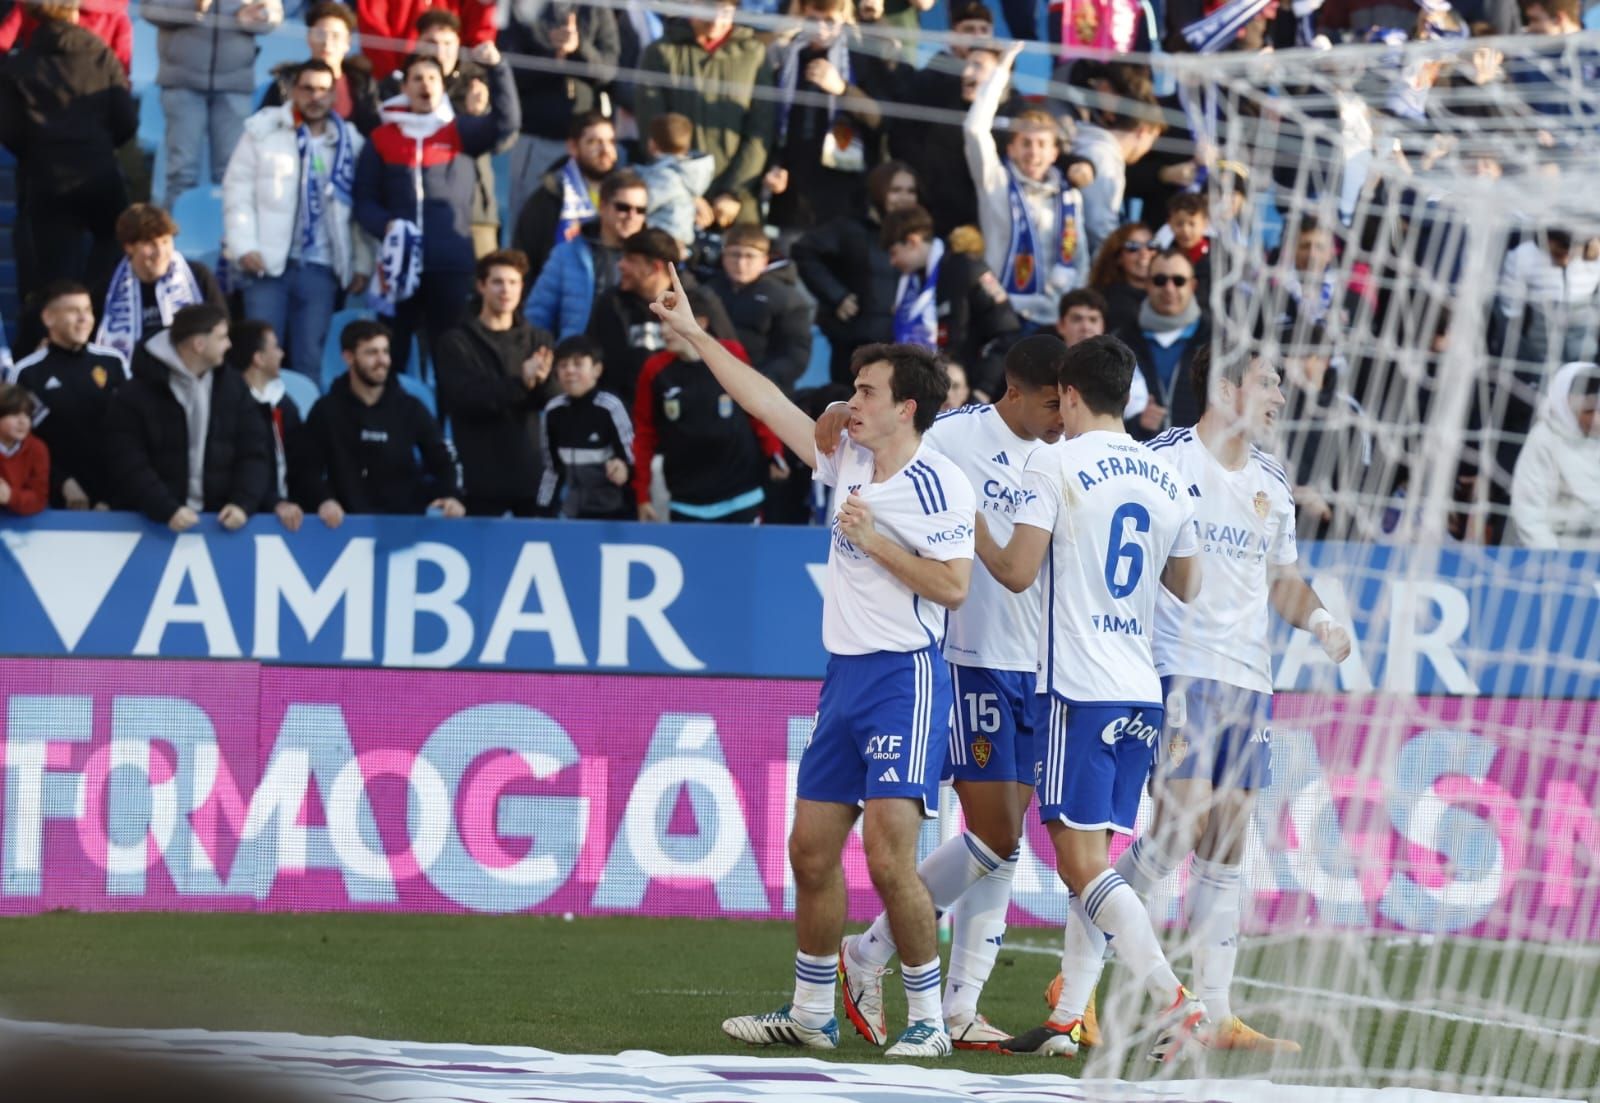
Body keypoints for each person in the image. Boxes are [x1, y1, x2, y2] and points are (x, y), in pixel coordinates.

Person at [650, 269, 975, 1057]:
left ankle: (927, 1021)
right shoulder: (852, 458)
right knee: (809, 849)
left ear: (906, 406)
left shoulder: (941, 486)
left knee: (891, 855)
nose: (849, 402)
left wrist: (876, 544)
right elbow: (766, 400)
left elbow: (954, 588)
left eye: (865, 392)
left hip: (907, 677)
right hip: (846, 678)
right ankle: (812, 1011)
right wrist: (696, 337)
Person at [1046, 344, 1353, 1055]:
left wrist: (1319, 619)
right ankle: (1077, 986)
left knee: (1228, 835)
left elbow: (1282, 577)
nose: (1279, 395)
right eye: (1268, 382)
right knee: (1178, 828)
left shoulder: (1272, 481)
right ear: (1225, 385)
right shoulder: (1164, 459)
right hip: (1177, 667)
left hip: (1249, 677)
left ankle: (1213, 1012)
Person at [816, 335, 1066, 1050]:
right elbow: (871, 442)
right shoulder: (954, 437)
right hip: (966, 656)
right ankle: (870, 951)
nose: (1060, 416)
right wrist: (841, 405)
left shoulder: (1058, 454)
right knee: (996, 834)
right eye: (1051, 403)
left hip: (1041, 665)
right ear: (1015, 391)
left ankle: (960, 1005)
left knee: (1005, 846)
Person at [971, 334, 1204, 1061]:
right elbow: (1188, 585)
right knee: (1094, 861)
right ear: (1127, 395)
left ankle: (1172, 1000)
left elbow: (1013, 570)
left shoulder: (1055, 460)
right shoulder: (1164, 473)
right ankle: (1070, 1014)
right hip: (1140, 688)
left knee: (1080, 862)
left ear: (1068, 395)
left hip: (1079, 686)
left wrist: (966, 517)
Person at [353, 42, 518, 376]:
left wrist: (498, 69)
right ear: (404, 87)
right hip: (398, 266)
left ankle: (450, 428)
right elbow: (364, 201)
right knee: (390, 358)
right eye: (416, 78)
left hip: (450, 265)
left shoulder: (459, 131)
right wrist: (386, 226)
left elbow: (507, 124)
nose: (425, 84)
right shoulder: (382, 138)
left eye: (432, 77)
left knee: (453, 360)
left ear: (442, 87)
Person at [224, 59, 373, 380]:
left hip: (321, 268)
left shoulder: (351, 142)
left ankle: (303, 428)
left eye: (323, 90)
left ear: (334, 95)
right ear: (292, 91)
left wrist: (361, 262)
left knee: (309, 360)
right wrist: (244, 245)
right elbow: (237, 192)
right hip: (267, 265)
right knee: (258, 360)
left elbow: (359, 210)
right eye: (307, 88)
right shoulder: (262, 130)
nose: (314, 97)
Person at [0, 0, 137, 321]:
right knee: (113, 245)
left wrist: (36, 152)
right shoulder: (102, 56)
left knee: (53, 270)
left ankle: (57, 332)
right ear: (75, 13)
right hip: (99, 171)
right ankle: (95, 312)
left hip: (45, 178)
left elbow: (9, 130)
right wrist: (101, 144)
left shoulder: (19, 68)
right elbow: (126, 119)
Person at [105, 304, 270, 531]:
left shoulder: (233, 386)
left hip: (219, 523)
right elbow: (127, 460)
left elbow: (254, 451)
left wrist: (243, 503)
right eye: (222, 338)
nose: (229, 345)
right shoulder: (135, 394)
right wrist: (165, 508)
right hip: (147, 526)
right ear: (199, 345)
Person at [633, 287, 786, 524]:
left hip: (741, 494)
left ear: (701, 322)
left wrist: (774, 452)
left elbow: (757, 408)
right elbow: (644, 434)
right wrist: (642, 495)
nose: (663, 331)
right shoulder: (654, 370)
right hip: (686, 500)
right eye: (661, 322)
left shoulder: (731, 353)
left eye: (669, 322)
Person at [965, 43, 1090, 332]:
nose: (1033, 153)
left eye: (1041, 144)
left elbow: (1080, 258)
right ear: (1010, 149)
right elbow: (974, 129)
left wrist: (1072, 307)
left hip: (1057, 321)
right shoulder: (994, 182)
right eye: (1025, 143)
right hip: (1006, 314)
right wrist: (1001, 70)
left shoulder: (1069, 197)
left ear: (1054, 153)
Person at [299, 319, 465, 521]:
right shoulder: (326, 410)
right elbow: (306, 468)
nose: (382, 360)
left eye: (385, 351)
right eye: (371, 353)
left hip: (404, 527)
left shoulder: (411, 407)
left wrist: (451, 495)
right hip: (345, 526)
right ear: (349, 357)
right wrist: (323, 500)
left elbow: (444, 458)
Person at [435, 249, 559, 517]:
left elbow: (553, 399)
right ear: (481, 286)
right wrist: (522, 382)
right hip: (479, 477)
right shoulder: (456, 342)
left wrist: (543, 381)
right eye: (498, 282)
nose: (506, 290)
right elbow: (465, 398)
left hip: (531, 474)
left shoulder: (538, 340)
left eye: (513, 282)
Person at [635, 2, 775, 220]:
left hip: (738, 198)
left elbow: (760, 131)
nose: (716, 21)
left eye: (725, 12)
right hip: (673, 194)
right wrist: (687, 192)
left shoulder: (754, 54)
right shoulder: (660, 52)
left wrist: (732, 191)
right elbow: (652, 130)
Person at [143, 0, 283, 205]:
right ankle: (175, 235)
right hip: (183, 83)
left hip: (235, 85)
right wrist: (193, 7)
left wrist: (260, 17)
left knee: (232, 172)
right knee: (181, 173)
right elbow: (150, 9)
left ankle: (229, 235)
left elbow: (274, 15)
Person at [761, 0, 883, 234]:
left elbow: (880, 121)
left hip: (845, 194)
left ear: (844, 19)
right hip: (793, 195)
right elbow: (772, 122)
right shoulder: (786, 55)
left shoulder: (861, 56)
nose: (820, 29)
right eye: (811, 20)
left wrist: (843, 90)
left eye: (829, 21)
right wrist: (775, 165)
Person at [793, 160, 920, 382]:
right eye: (896, 190)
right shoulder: (850, 228)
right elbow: (804, 250)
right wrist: (836, 296)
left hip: (903, 347)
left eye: (911, 191)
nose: (905, 197)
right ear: (879, 191)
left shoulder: (921, 236)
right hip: (855, 344)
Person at [9, 280, 129, 510]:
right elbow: (17, 442)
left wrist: (113, 495)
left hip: (115, 501)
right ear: (49, 319)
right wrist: (61, 482)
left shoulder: (114, 363)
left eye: (87, 310)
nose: (84, 318)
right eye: (74, 311)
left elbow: (132, 433)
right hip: (51, 503)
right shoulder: (26, 373)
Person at [882, 205, 1020, 401]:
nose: (892, 262)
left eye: (894, 252)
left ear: (912, 242)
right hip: (936, 394)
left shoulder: (966, 268)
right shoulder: (910, 286)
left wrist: (983, 390)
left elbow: (1006, 332)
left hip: (973, 394)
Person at [501, 0, 620, 223]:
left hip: (585, 146)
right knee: (528, 219)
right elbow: (509, 70)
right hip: (535, 141)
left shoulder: (596, 9)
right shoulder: (523, 8)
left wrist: (579, 49)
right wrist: (553, 58)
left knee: (586, 225)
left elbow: (609, 70)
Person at [95, 203, 226, 366]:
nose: (160, 252)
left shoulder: (197, 276)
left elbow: (221, 328)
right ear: (129, 247)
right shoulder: (108, 288)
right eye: (150, 244)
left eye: (165, 241)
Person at [526, 169, 649, 340]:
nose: (632, 216)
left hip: (637, 361)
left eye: (640, 210)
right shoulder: (566, 255)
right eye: (623, 207)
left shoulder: (655, 258)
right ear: (603, 206)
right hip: (577, 359)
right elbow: (538, 316)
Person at [510, 111, 619, 280]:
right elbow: (525, 260)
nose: (605, 150)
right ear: (573, 147)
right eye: (594, 142)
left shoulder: (629, 196)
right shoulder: (549, 197)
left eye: (611, 142)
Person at [704, 224, 814, 392]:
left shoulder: (788, 299)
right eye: (735, 254)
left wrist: (760, 382)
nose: (741, 263)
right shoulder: (707, 292)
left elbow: (795, 356)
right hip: (708, 384)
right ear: (724, 257)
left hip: (763, 391)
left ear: (764, 260)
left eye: (749, 256)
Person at [537, 335, 635, 519]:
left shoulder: (610, 407)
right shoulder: (553, 411)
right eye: (563, 365)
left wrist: (624, 471)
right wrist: (543, 510)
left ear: (597, 370)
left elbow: (632, 458)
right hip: (572, 514)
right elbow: (551, 469)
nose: (570, 371)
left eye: (578, 364)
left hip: (614, 514)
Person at [1116, 248, 1210, 440]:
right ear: (1147, 284)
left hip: (1204, 460)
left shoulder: (1218, 341)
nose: (1169, 288)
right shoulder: (1119, 342)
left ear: (1193, 285)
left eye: (1179, 281)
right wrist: (1137, 425)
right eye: (1160, 280)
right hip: (1140, 461)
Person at [584, 227, 684, 404]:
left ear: (655, 267)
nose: (620, 265)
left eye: (630, 260)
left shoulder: (696, 304)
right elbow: (596, 362)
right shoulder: (611, 304)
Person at [225, 319, 307, 531]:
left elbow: (300, 464)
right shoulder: (226, 404)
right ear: (259, 359)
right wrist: (272, 503)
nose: (282, 354)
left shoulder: (284, 404)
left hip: (286, 516)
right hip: (233, 515)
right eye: (276, 347)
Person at [1507, 361, 1600, 547]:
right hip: (1562, 549)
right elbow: (1529, 513)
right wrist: (1552, 561)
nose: (1598, 419)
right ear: (1565, 405)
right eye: (1589, 411)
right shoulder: (1544, 440)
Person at [260, 1, 382, 135]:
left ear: (347, 42)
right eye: (320, 34)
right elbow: (264, 128)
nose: (327, 43)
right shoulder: (285, 83)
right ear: (308, 38)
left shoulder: (364, 85)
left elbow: (373, 131)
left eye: (336, 36)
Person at [1071, 98, 1164, 261]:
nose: (1148, 149)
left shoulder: (1093, 147)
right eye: (1152, 140)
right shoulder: (1103, 157)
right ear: (1143, 131)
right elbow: (1099, 227)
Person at [355, 0, 495, 85]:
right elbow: (373, 26)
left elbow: (480, 33)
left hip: (458, 82)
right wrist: (395, 78)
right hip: (398, 81)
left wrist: (472, 77)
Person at [636, 112, 716, 253]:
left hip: (665, 237)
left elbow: (643, 202)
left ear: (652, 144)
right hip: (681, 236)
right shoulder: (690, 171)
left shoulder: (666, 177)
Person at [1088, 222, 1153, 334]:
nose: (1144, 253)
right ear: (1118, 257)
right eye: (1133, 247)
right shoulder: (1107, 301)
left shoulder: (1170, 289)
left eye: (1151, 245)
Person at [0, 383, 50, 516]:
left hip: (23, 526)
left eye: (27, 415)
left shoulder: (37, 448)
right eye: (15, 414)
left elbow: (39, 499)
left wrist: (10, 496)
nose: (23, 421)